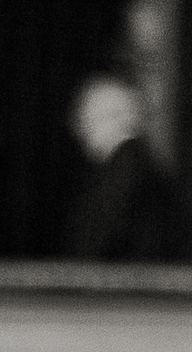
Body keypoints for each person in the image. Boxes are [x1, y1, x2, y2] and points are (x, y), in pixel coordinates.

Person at [65, 73, 180, 260]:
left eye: (85, 117)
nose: (79, 129)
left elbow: (99, 240)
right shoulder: (137, 164)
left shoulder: (124, 170)